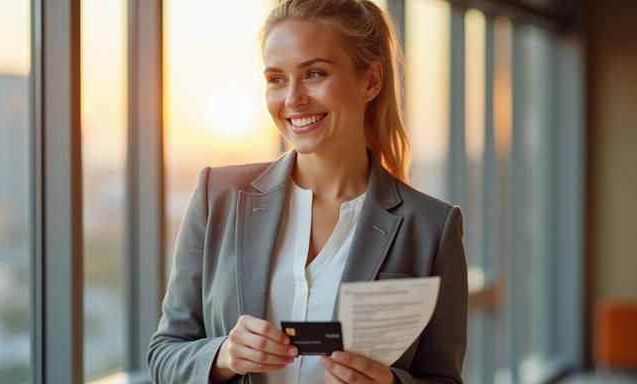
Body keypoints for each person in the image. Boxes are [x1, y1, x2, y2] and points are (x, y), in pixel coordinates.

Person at [147, 0, 467, 383]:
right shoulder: (217, 198)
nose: (293, 99)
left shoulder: (431, 226)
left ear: (371, 81)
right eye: (276, 79)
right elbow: (165, 354)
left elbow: (443, 377)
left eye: (314, 73)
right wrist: (223, 355)